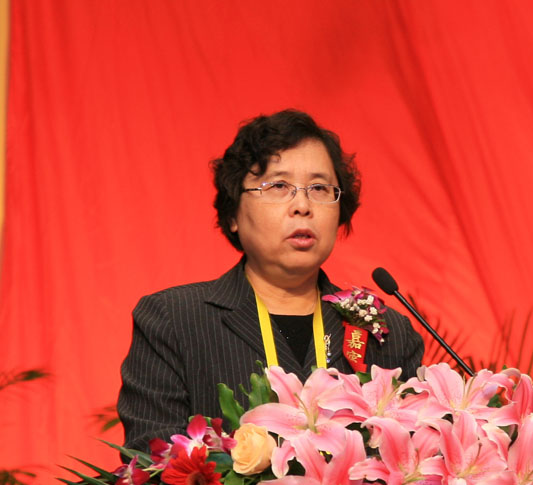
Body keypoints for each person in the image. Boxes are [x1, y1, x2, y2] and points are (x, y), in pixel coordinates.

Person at [118, 110, 424, 451]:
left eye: (320, 188)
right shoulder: (174, 321)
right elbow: (153, 461)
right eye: (279, 186)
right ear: (233, 214)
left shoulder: (388, 333)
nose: (302, 205)